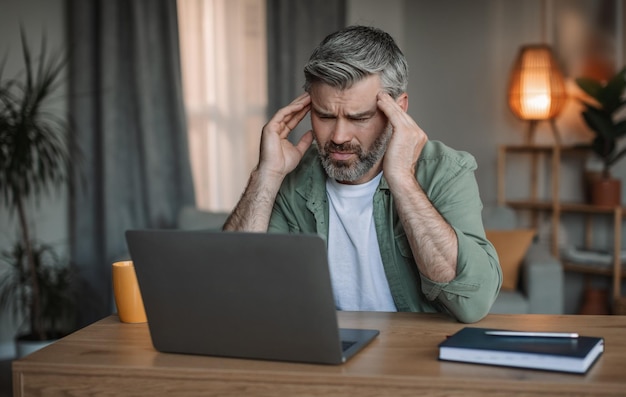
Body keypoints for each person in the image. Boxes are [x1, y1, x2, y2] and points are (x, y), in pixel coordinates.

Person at [223, 25, 501, 323]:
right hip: (322, 355)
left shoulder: (445, 170)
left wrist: (403, 181)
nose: (340, 136)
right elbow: (231, 290)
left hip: (414, 358)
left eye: (359, 117)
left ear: (399, 109)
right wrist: (266, 174)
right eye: (325, 115)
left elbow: (472, 303)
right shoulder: (291, 179)